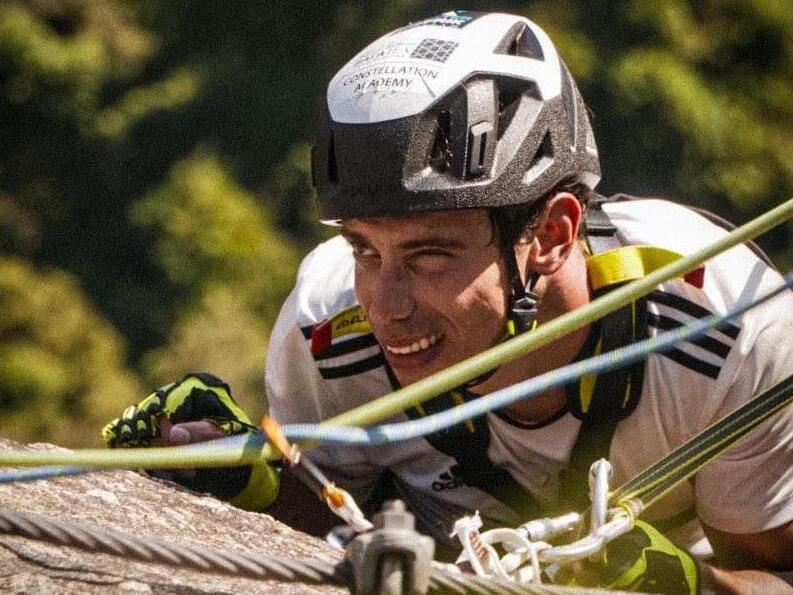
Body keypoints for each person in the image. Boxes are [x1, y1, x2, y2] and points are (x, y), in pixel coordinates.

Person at [104, 11, 793, 593]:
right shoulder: (328, 324)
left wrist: (679, 584)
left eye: (428, 254)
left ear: (550, 234)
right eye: (364, 248)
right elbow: (337, 526)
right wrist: (251, 476)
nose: (385, 306)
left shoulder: (726, 330)